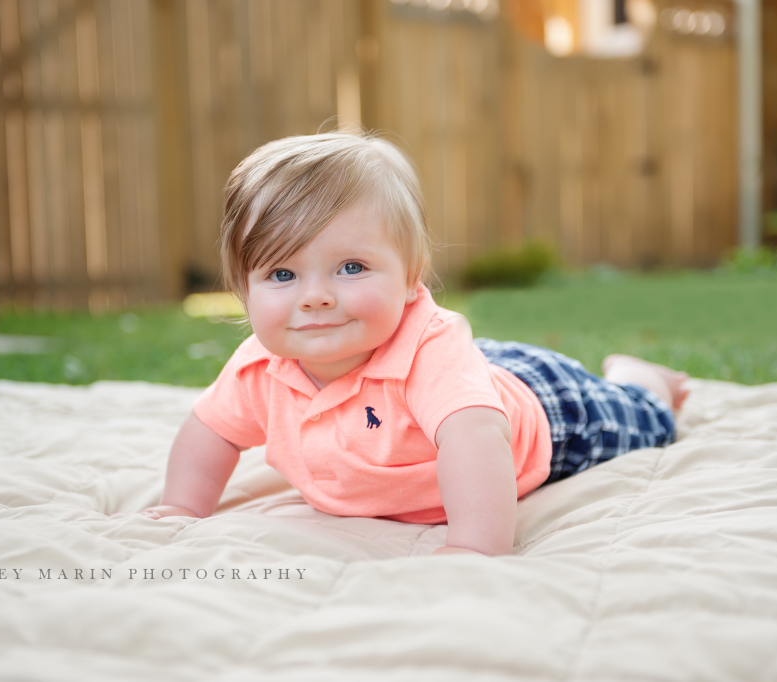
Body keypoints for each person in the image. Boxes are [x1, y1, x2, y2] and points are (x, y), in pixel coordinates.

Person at [138, 133, 689, 556]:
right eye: (282, 275)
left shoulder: (431, 350)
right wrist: (182, 506)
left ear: (410, 278)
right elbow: (209, 431)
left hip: (544, 412)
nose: (315, 297)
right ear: (243, 291)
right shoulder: (261, 367)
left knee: (644, 420)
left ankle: (641, 377)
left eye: (350, 267)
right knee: (457, 386)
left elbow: (474, 441)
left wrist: (474, 547)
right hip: (464, 378)